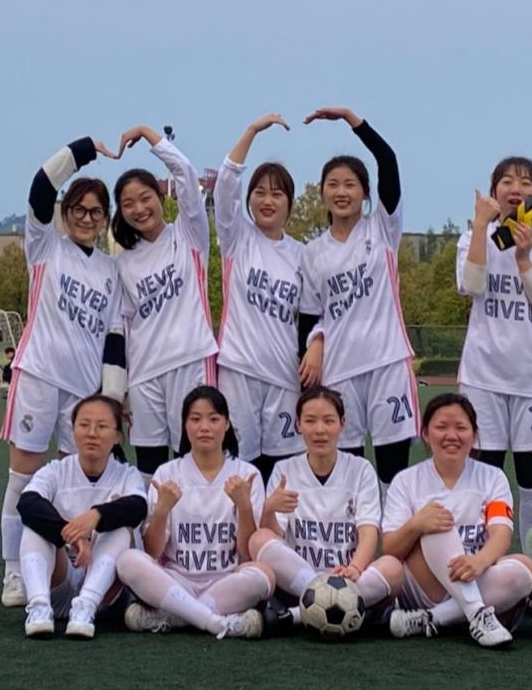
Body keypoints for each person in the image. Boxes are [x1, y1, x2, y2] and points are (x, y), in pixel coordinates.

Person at [0, 135, 127, 609]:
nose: (86, 218)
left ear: (106, 218)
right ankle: (14, 571)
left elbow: (116, 339)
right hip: (39, 374)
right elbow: (40, 185)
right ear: (66, 212)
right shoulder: (45, 245)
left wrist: (112, 400)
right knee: (23, 480)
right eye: (78, 209)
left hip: (83, 393)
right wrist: (84, 149)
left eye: (96, 211)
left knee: (77, 486)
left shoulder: (112, 270)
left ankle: (71, 573)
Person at [455, 156, 532, 569]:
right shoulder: (473, 239)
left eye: (525, 182)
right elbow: (471, 284)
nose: (515, 188)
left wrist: (525, 259)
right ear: (493, 192)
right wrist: (481, 226)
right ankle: (477, 568)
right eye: (506, 181)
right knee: (482, 481)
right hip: (483, 378)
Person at [297, 107, 416, 493]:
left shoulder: (383, 228)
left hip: (386, 361)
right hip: (339, 370)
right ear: (322, 193)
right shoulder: (312, 252)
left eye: (350, 184)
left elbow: (388, 160)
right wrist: (315, 342)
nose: (341, 192)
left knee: (392, 470)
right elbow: (310, 316)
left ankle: (392, 535)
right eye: (333, 184)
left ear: (365, 194)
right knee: (345, 470)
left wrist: (352, 119)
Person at [381, 393, 532, 647]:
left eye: (461, 428)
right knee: (437, 521)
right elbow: (390, 547)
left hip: (475, 577)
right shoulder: (406, 481)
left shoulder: (492, 477)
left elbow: (501, 533)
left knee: (524, 569)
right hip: (426, 584)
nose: (451, 436)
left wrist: (479, 561)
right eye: (441, 427)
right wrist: (416, 525)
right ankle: (476, 613)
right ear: (426, 433)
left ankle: (432, 619)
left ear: (474, 435)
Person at [116, 386, 272, 639]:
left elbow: (247, 552)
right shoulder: (167, 473)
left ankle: (175, 617)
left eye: (214, 419)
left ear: (227, 424)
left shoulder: (246, 474)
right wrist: (162, 511)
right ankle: (217, 622)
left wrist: (244, 506)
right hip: (177, 580)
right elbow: (152, 552)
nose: (204, 427)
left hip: (227, 582)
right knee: (127, 561)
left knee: (264, 575)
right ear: (184, 425)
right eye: (195, 419)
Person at [111, 125, 218, 484]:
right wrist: (121, 388)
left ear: (160, 197)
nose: (139, 209)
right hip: (144, 375)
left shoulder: (189, 235)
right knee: (150, 469)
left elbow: (184, 173)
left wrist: (148, 134)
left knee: (194, 461)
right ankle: (150, 523)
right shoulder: (123, 263)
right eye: (128, 204)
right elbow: (123, 328)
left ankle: (196, 522)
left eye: (145, 198)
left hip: (191, 361)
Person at [249, 385, 404, 632]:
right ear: (298, 424)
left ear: (342, 424)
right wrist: (269, 509)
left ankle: (291, 617)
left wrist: (355, 567)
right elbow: (273, 537)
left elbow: (368, 531)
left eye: (328, 421)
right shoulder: (284, 469)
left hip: (348, 578)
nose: (319, 430)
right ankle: (348, 607)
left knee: (393, 568)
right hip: (297, 581)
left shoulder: (360, 469)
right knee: (258, 539)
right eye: (310, 421)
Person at [213, 113, 310, 481]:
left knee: (281, 470)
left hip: (284, 376)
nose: (267, 200)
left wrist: (316, 344)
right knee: (240, 468)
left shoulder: (302, 254)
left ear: (290, 203)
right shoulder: (236, 237)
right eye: (260, 192)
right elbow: (225, 186)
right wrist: (252, 130)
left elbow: (314, 315)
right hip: (238, 370)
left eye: (277, 193)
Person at [17, 395, 146, 639]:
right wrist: (71, 533)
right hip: (61, 581)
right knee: (34, 527)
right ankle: (39, 607)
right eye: (84, 425)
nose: (92, 433)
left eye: (102, 426)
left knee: (120, 528)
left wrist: (96, 515)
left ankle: (85, 607)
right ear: (73, 430)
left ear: (117, 436)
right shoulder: (56, 470)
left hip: (105, 597)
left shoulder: (127, 475)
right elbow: (27, 502)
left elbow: (138, 507)